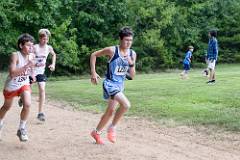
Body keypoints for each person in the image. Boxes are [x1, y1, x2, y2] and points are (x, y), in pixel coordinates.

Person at [90, 27, 137, 144]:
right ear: (120, 39)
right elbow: (94, 55)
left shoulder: (132, 53)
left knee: (110, 111)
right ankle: (112, 127)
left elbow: (132, 76)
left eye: (130, 40)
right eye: (126, 40)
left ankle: (96, 132)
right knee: (126, 105)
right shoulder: (112, 50)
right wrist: (93, 72)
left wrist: (131, 64)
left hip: (120, 85)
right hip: (110, 84)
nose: (128, 43)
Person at [0, 33, 35, 141]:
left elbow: (31, 68)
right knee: (6, 107)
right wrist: (26, 66)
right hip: (11, 86)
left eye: (32, 45)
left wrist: (32, 75)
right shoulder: (15, 55)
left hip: (23, 84)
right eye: (28, 45)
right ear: (21, 45)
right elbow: (12, 73)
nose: (31, 48)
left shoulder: (31, 56)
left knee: (28, 104)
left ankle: (21, 129)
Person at [18, 29, 56, 122]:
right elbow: (29, 59)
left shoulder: (49, 48)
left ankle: (40, 113)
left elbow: (54, 55)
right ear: (40, 38)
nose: (45, 41)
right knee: (28, 90)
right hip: (31, 71)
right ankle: (22, 99)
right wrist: (32, 72)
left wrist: (53, 64)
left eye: (47, 39)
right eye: (43, 39)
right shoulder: (34, 47)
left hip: (41, 72)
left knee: (42, 89)